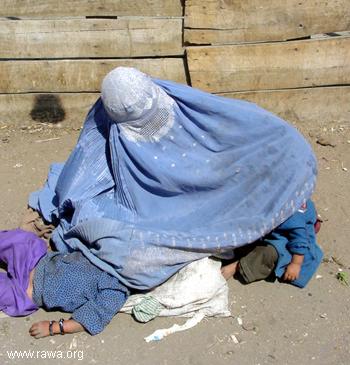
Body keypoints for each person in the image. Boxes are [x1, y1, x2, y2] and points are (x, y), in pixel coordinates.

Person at [28, 67, 319, 291]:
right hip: (163, 210)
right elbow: (79, 179)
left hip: (224, 178)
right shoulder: (110, 130)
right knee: (130, 254)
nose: (156, 127)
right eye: (143, 125)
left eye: (157, 115)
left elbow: (280, 142)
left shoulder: (190, 106)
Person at [0, 229, 129, 339]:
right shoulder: (107, 253)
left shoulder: (116, 290)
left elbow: (91, 317)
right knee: (21, 239)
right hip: (38, 257)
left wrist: (53, 327)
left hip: (28, 292)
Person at [221, 200, 323, 288]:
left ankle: (237, 266)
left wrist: (295, 264)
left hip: (291, 247)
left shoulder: (294, 212)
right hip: (275, 233)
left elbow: (299, 241)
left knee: (268, 252)